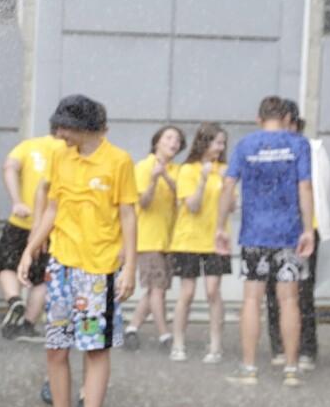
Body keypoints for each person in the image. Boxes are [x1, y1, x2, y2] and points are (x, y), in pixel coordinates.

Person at [19, 94, 136, 407]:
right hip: (62, 266)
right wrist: (30, 248)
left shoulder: (118, 161)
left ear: (85, 128)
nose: (58, 134)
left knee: (94, 349)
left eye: (64, 127)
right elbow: (53, 207)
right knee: (56, 348)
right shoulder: (60, 156)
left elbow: (129, 216)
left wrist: (130, 265)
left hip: (98, 269)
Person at [217, 96, 315, 388]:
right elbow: (305, 186)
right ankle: (291, 369)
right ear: (286, 118)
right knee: (289, 300)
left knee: (251, 299)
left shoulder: (246, 145)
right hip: (288, 232)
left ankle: (249, 368)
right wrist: (308, 229)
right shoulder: (299, 144)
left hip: (254, 232)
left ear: (259, 119)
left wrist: (220, 226)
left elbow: (228, 185)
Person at [267, 112, 328, 370]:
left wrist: (307, 224)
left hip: (304, 227)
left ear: (291, 123)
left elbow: (319, 187)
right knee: (273, 290)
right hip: (273, 228)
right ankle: (279, 345)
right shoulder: (269, 150)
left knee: (302, 290)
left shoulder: (313, 149)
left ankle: (306, 348)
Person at [168, 123, 230, 363]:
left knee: (213, 291)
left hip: (216, 238)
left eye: (223, 143)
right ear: (205, 143)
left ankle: (215, 345)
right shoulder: (187, 170)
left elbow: (233, 205)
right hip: (189, 239)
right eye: (217, 142)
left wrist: (227, 185)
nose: (221, 147)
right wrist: (203, 180)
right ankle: (178, 342)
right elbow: (192, 206)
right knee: (188, 292)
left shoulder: (225, 170)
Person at [0, 128, 61, 340]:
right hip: (49, 226)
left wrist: (17, 201)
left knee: (6, 264)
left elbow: (9, 167)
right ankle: (27, 325)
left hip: (20, 218)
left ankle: (14, 300)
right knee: (42, 278)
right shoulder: (69, 151)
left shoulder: (29, 145)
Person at [127, 125, 182, 351]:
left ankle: (132, 328)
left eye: (177, 140)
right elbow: (143, 202)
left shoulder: (178, 170)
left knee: (155, 289)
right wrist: (153, 180)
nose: (173, 143)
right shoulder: (142, 166)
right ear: (157, 142)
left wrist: (166, 177)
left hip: (169, 239)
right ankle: (165, 335)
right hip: (148, 238)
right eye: (168, 137)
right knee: (157, 289)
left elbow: (182, 197)